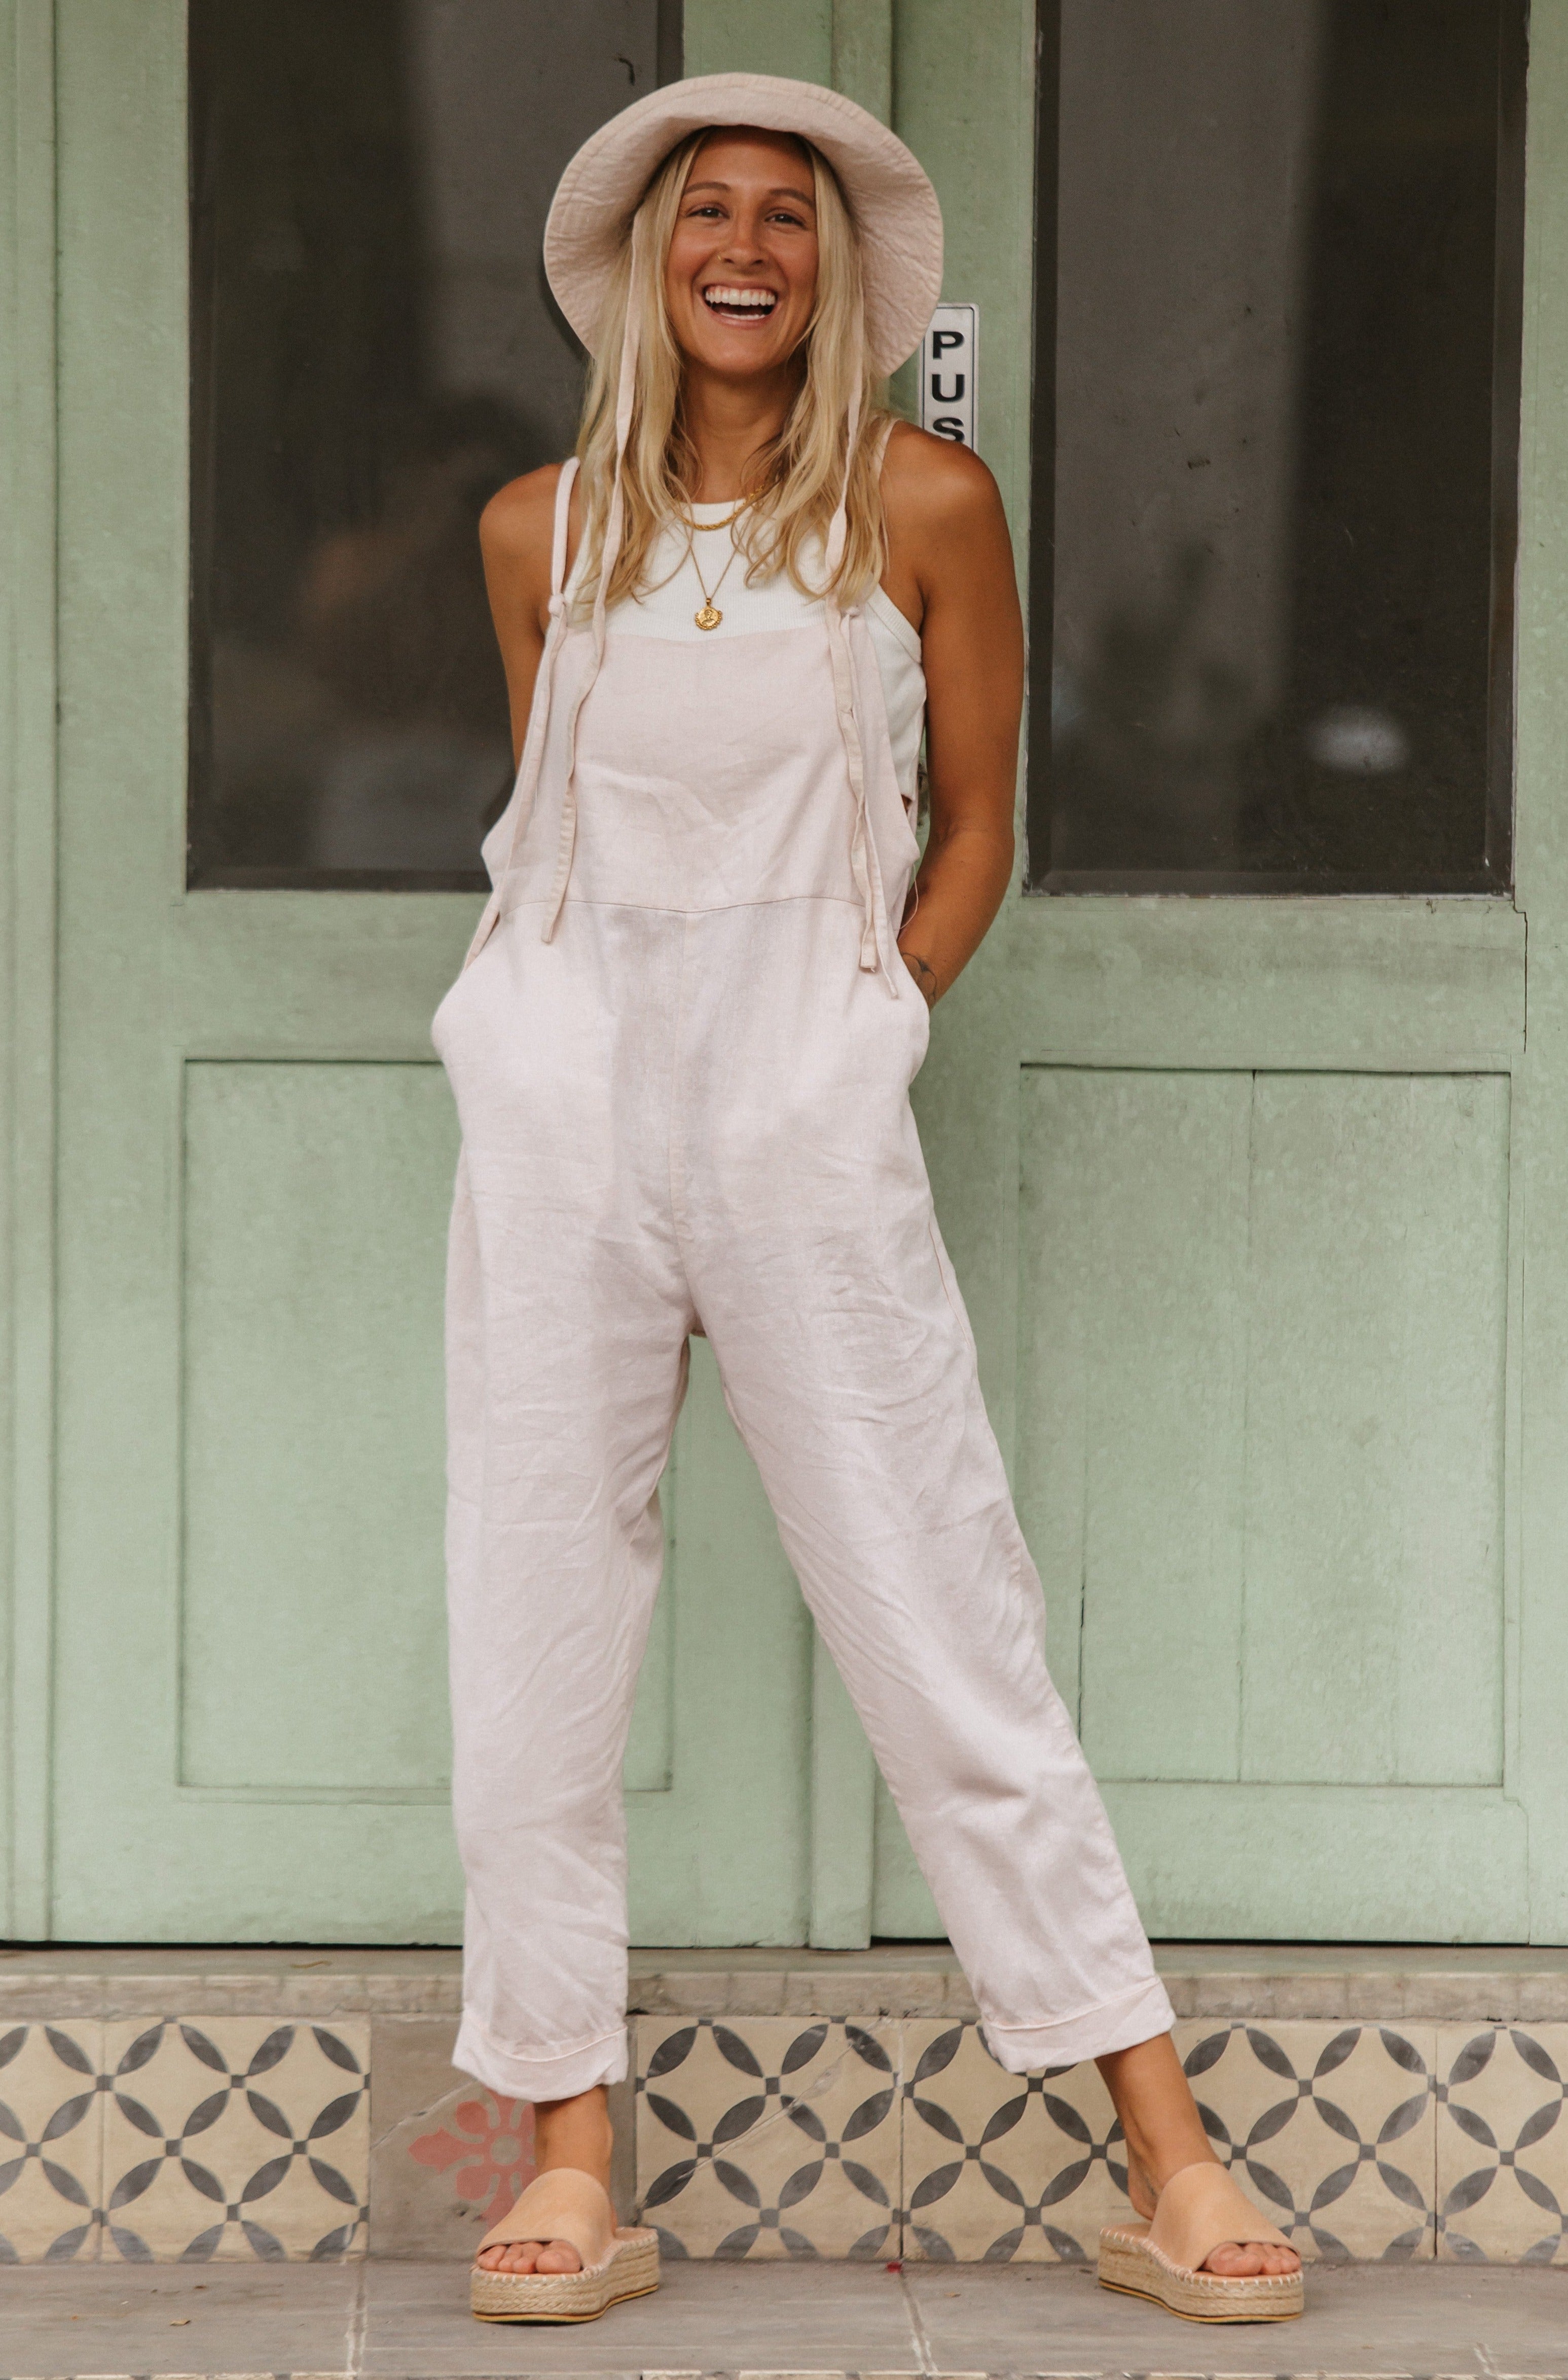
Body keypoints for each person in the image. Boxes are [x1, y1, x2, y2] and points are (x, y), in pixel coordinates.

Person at [432, 72, 1304, 2330]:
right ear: (645, 262)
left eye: (787, 217)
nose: (744, 245)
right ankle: (566, 2143)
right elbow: (552, 837)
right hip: (567, 1112)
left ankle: (1166, 2147)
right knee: (535, 1618)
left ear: (836, 272)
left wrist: (861, 1039)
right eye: (704, 210)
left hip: (798, 1112)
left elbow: (982, 820)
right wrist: (552, 1057)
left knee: (945, 1603)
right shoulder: (539, 530)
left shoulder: (926, 502)